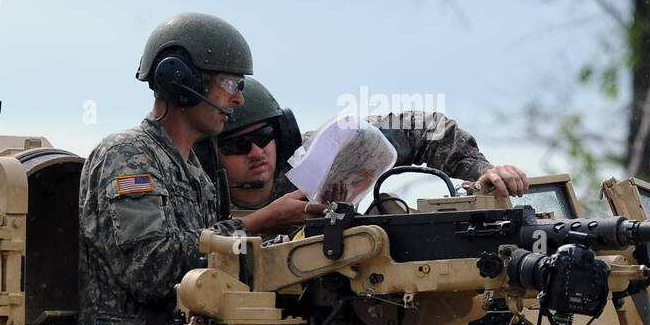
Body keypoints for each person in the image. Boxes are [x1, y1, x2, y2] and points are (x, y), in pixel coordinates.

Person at [77, 14, 310, 325]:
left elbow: (209, 263)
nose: (238, 99)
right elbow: (152, 269)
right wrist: (258, 223)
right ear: (183, 83)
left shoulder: (196, 173)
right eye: (230, 84)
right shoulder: (127, 155)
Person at [208, 78, 529, 218]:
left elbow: (424, 129)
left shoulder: (318, 155)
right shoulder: (196, 193)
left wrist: (483, 172)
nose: (256, 151)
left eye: (264, 135)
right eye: (237, 145)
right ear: (210, 156)